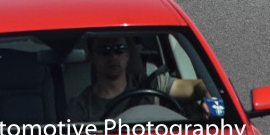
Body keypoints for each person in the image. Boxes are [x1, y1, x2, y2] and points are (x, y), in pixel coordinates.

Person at [66, 34, 215, 123]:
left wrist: (213, 106)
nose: (113, 57)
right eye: (104, 51)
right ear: (91, 57)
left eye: (119, 49)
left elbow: (199, 87)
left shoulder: (152, 84)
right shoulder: (80, 107)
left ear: (127, 55)